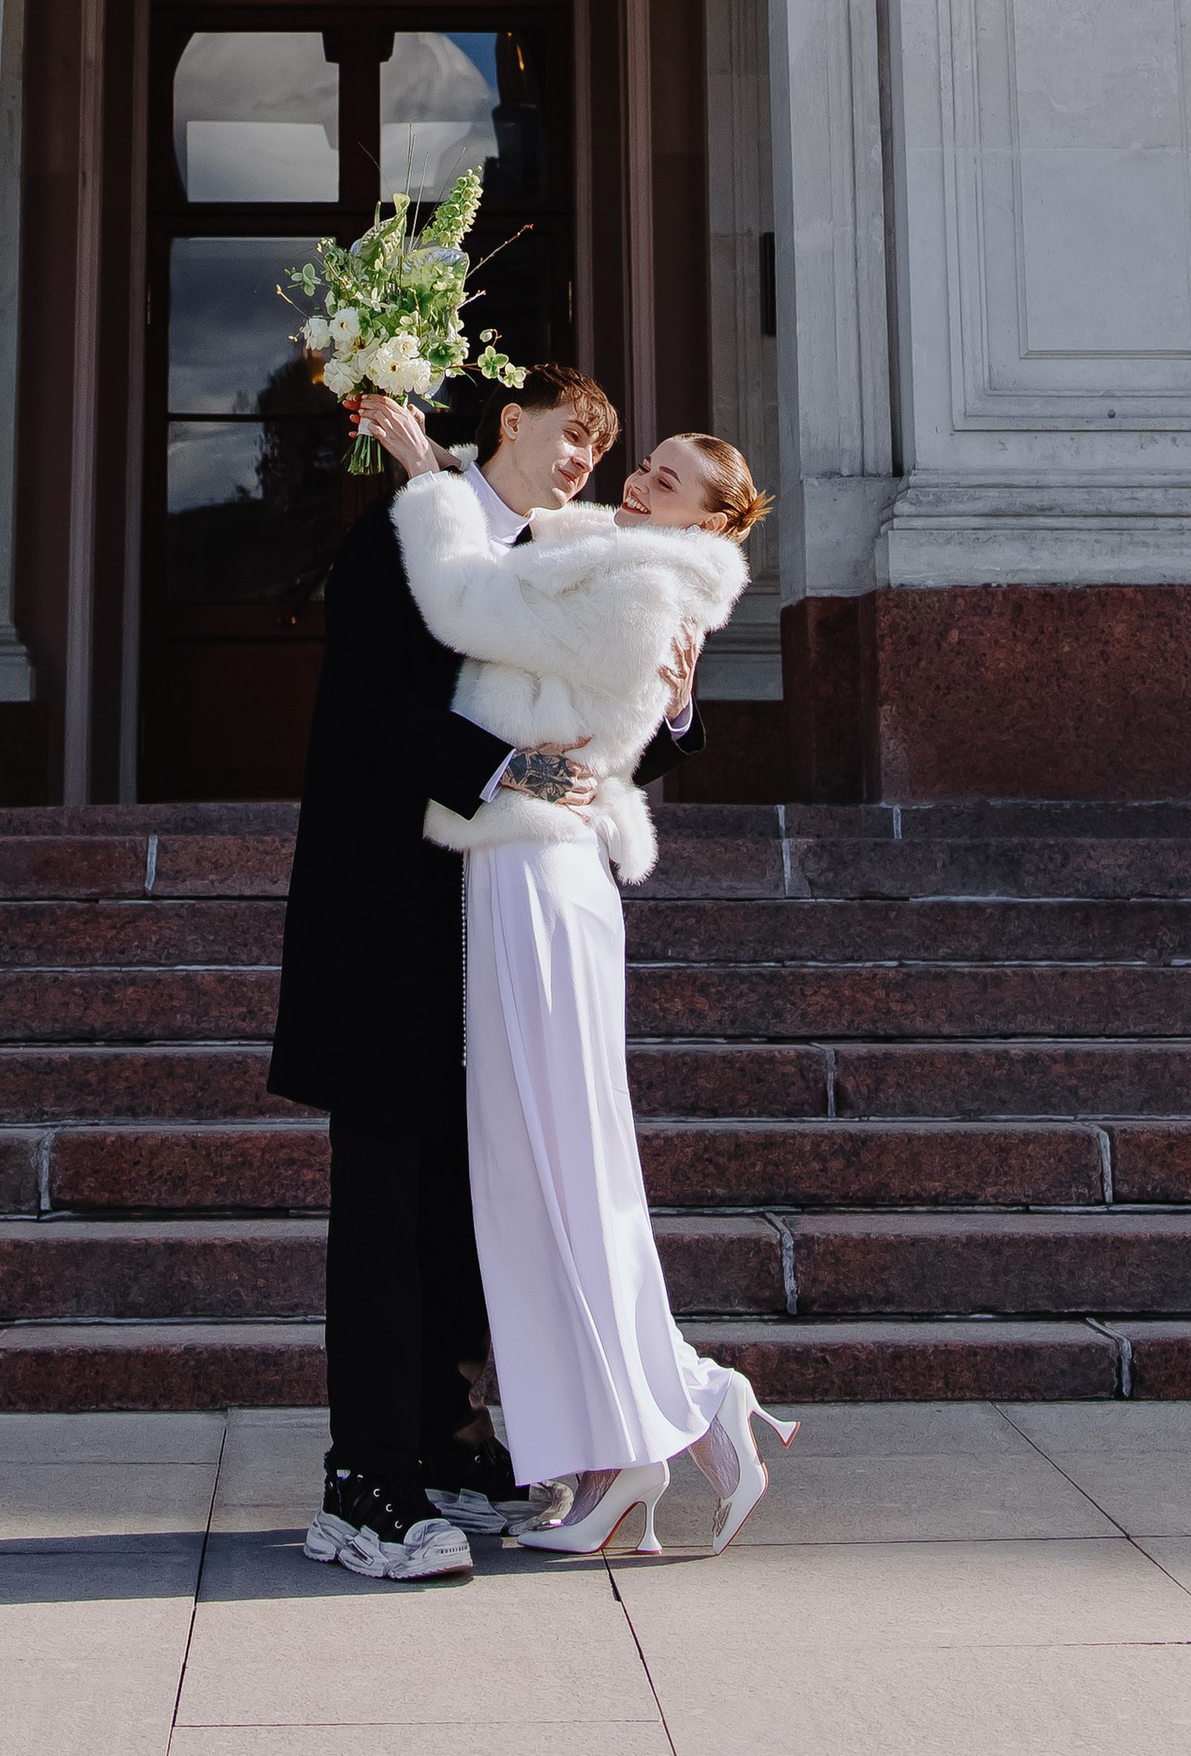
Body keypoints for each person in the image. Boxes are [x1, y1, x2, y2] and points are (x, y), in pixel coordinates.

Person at [268, 364, 705, 1585]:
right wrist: (505, 768)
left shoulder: (556, 552)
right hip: (392, 915)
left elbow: (589, 746)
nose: (585, 464)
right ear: (511, 421)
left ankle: (454, 1451)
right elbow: (364, 706)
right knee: (388, 1200)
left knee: (475, 1192)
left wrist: (668, 714)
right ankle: (366, 1485)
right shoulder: (406, 534)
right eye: (574, 436)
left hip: (505, 927)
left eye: (601, 448)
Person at [373, 412, 798, 1559]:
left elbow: (468, 603)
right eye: (647, 466)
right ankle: (664, 1415)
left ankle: (640, 1435)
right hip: (513, 863)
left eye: (671, 484)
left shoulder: (649, 587)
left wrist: (425, 480)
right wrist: (462, 468)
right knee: (542, 1167)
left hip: (541, 877)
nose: (641, 485)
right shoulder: (609, 553)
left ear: (712, 524)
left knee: (557, 1166)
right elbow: (520, 541)